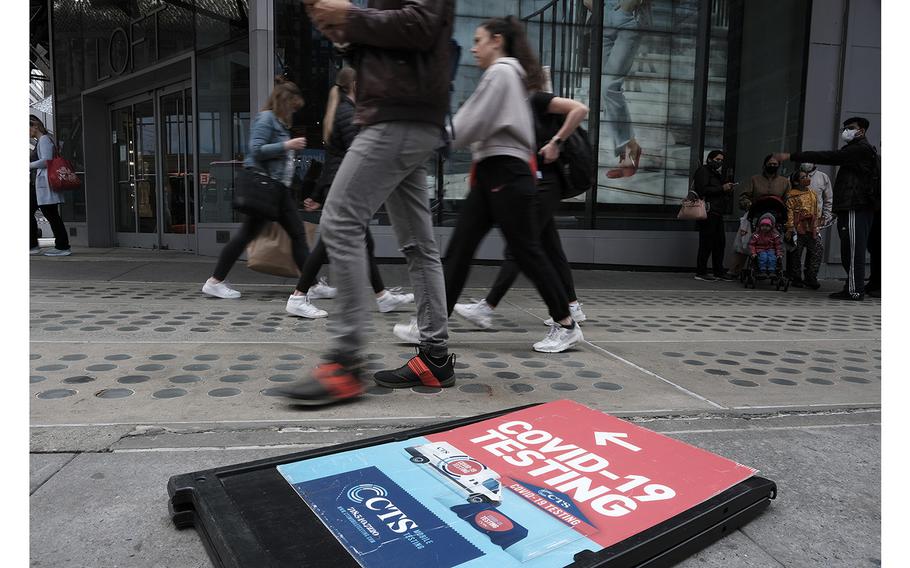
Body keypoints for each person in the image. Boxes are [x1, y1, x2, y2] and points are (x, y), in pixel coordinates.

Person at [275, 0, 457, 405]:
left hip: (397, 115)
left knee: (339, 222)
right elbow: (394, 40)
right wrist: (344, 34)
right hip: (410, 114)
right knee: (419, 245)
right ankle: (435, 358)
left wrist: (351, 17)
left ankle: (345, 364)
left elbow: (424, 24)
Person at [395, 16, 582, 355]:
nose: (473, 47)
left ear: (497, 40)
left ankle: (566, 324)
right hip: (492, 172)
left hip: (506, 173)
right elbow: (476, 120)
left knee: (524, 251)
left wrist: (436, 138)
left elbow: (471, 119)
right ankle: (432, 324)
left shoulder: (502, 72)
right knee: (461, 250)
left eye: (479, 40)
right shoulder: (508, 76)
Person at [453, 71, 590, 329]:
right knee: (551, 247)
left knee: (521, 245)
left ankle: (488, 306)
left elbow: (580, 108)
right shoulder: (518, 107)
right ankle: (572, 306)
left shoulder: (536, 99)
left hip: (548, 182)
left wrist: (556, 142)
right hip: (541, 182)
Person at [285, 68, 414, 318]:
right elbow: (358, 153)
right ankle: (298, 296)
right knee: (328, 243)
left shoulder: (343, 111)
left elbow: (335, 159)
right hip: (347, 186)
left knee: (363, 241)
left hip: (342, 185)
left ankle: (382, 296)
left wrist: (318, 193)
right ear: (354, 84)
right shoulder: (347, 113)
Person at [201, 77, 310, 299]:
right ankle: (215, 281)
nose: (293, 111)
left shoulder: (278, 122)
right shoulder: (267, 118)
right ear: (284, 101)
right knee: (252, 235)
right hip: (267, 188)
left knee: (294, 234)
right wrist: (287, 145)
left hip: (278, 189)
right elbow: (256, 149)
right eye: (293, 106)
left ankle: (312, 283)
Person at [775, 117, 878, 301]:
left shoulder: (860, 149)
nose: (846, 131)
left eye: (851, 128)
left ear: (861, 131)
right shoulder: (856, 150)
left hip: (856, 206)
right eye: (845, 128)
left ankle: (854, 290)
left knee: (854, 250)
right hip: (851, 206)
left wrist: (793, 156)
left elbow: (828, 157)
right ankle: (853, 286)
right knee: (849, 249)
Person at [584, 0, 650, 179]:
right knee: (602, 89)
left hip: (628, 14)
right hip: (602, 14)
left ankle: (629, 148)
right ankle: (629, 148)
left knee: (609, 86)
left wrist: (628, 5)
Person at [731, 154, 789, 275]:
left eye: (775, 164)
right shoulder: (754, 179)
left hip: (776, 216)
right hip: (755, 214)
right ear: (764, 165)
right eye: (770, 164)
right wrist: (750, 205)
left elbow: (788, 200)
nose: (772, 166)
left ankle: (773, 268)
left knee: (775, 241)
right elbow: (743, 197)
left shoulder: (784, 182)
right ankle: (735, 270)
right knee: (744, 241)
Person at [30, 115, 72, 256]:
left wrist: (28, 165)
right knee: (49, 214)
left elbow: (46, 160)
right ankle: (60, 245)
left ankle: (62, 246)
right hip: (42, 184)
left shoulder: (44, 140)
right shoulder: (43, 140)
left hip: (46, 184)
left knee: (51, 214)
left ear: (35, 126)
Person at [692, 150, 735, 281]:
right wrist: (722, 188)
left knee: (719, 242)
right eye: (717, 159)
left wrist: (727, 189)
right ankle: (701, 271)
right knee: (707, 242)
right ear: (709, 159)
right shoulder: (703, 171)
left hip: (717, 211)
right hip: (708, 212)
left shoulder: (716, 173)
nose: (719, 162)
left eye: (721, 160)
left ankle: (718, 270)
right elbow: (702, 190)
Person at [784, 170, 822, 289]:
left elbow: (816, 210)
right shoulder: (791, 195)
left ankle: (811, 277)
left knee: (817, 250)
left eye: (807, 176)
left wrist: (817, 225)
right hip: (798, 227)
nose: (807, 178)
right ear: (796, 181)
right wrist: (790, 228)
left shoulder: (813, 194)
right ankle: (796, 277)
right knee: (796, 253)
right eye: (803, 177)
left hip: (811, 227)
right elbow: (789, 212)